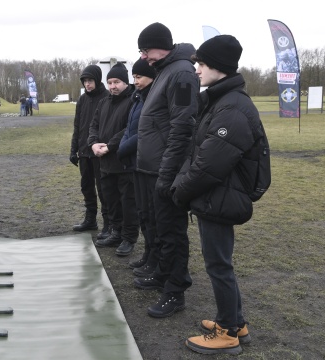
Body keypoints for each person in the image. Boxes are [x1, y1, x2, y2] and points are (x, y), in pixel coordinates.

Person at [172, 35, 260, 355]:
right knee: (221, 263)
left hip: (219, 197)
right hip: (217, 195)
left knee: (218, 266)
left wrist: (180, 192)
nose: (196, 69)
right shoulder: (221, 100)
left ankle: (227, 333)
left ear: (218, 68)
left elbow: (209, 165)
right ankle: (236, 321)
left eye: (202, 64)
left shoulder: (232, 108)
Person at [132, 22, 199, 318]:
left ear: (163, 46)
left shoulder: (182, 73)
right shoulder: (165, 70)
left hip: (165, 170)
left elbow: (182, 127)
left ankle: (175, 290)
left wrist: (168, 172)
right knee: (159, 229)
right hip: (152, 168)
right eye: (141, 51)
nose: (144, 56)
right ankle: (162, 273)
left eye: (147, 50)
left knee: (172, 232)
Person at [88, 62, 139, 257]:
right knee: (111, 201)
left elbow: (130, 129)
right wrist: (93, 143)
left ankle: (129, 237)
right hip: (105, 162)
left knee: (128, 203)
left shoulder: (134, 101)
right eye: (109, 82)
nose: (112, 86)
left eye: (116, 82)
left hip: (124, 162)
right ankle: (115, 232)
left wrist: (110, 145)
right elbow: (94, 125)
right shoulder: (104, 102)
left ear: (125, 82)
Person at [116, 59, 156, 273]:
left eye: (139, 77)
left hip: (145, 161)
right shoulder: (138, 98)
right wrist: (124, 145)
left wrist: (123, 148)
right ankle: (148, 254)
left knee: (150, 214)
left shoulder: (153, 99)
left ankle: (154, 259)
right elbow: (129, 129)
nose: (135, 81)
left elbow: (144, 132)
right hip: (135, 162)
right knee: (143, 213)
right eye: (134, 77)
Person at [70, 64, 109, 238]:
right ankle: (90, 219)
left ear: (97, 80)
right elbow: (78, 126)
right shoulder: (82, 100)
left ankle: (108, 223)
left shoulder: (107, 98)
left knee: (104, 189)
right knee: (86, 187)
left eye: (90, 80)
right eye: (85, 81)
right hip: (84, 152)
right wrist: (74, 149)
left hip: (100, 152)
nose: (87, 84)